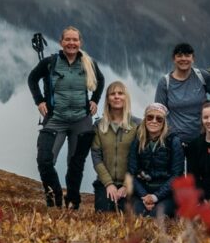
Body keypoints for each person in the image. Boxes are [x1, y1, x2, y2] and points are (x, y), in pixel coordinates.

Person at [25, 25, 101, 209]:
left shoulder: (88, 63)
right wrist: (39, 101)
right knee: (45, 160)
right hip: (55, 119)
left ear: (80, 42)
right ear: (61, 42)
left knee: (75, 165)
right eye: (68, 39)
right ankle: (55, 199)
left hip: (81, 120)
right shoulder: (50, 63)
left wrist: (95, 100)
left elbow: (101, 80)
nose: (71, 43)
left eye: (75, 40)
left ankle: (73, 203)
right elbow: (32, 79)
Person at [127, 102, 183, 217]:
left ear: (164, 122)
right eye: (150, 117)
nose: (154, 121)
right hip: (142, 191)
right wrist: (145, 196)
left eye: (159, 119)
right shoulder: (138, 140)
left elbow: (177, 175)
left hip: (166, 193)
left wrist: (155, 197)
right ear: (145, 119)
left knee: (155, 217)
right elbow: (132, 172)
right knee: (139, 215)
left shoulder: (173, 141)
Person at [90, 80, 138, 213]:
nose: (116, 96)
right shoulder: (98, 126)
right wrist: (109, 184)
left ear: (126, 98)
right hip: (105, 184)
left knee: (128, 218)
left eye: (120, 93)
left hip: (130, 184)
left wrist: (126, 185)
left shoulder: (137, 125)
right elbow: (96, 157)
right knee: (103, 215)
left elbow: (138, 159)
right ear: (107, 100)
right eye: (112, 94)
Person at [153, 42, 209, 139]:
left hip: (201, 138)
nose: (183, 59)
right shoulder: (165, 82)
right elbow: (158, 112)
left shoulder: (202, 76)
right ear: (174, 59)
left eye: (187, 55)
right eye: (179, 56)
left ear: (193, 58)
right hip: (174, 140)